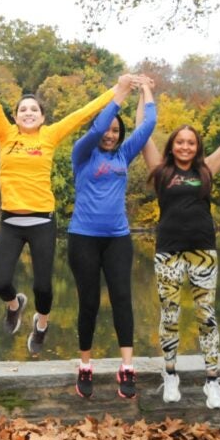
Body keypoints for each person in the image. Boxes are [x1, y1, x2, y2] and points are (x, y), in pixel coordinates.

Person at [0, 61, 118, 354]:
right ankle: (14, 305)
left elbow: (83, 114)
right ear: (15, 116)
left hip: (42, 222)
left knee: (43, 287)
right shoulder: (6, 135)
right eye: (22, 110)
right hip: (11, 222)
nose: (28, 113)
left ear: (42, 117)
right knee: (0, 283)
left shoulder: (49, 135)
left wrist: (118, 90)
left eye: (34, 110)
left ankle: (41, 325)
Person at [141, 93, 220, 410]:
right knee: (170, 315)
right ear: (171, 146)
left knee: (206, 315)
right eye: (180, 142)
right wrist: (145, 93)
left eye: (191, 142)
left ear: (197, 147)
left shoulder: (206, 170)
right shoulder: (161, 171)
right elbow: (142, 133)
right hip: (168, 252)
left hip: (203, 252)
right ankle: (170, 373)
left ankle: (212, 380)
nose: (185, 147)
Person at [67, 74, 154, 399]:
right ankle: (85, 365)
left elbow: (148, 126)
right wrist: (120, 94)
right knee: (88, 302)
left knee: (122, 298)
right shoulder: (82, 153)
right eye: (107, 129)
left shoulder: (123, 155)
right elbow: (97, 128)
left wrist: (146, 91)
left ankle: (127, 366)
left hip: (118, 238)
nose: (110, 134)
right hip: (83, 238)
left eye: (116, 131)